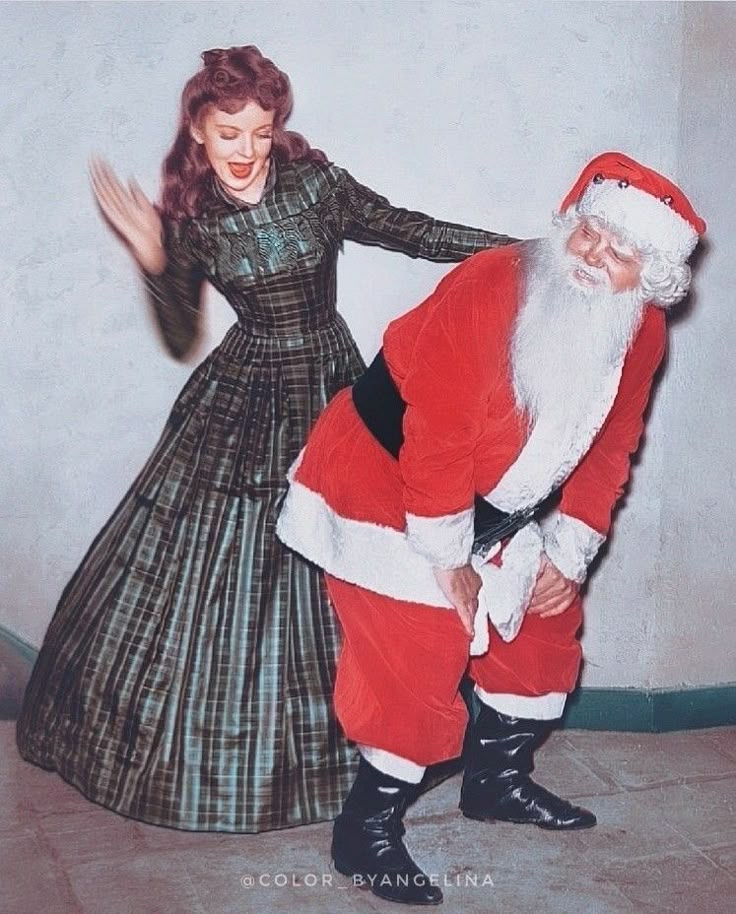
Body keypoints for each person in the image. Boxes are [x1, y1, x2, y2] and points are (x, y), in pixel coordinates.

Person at [15, 45, 515, 833]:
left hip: (330, 381)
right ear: (197, 131)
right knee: (229, 566)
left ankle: (385, 749)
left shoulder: (317, 187)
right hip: (242, 392)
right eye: (228, 135)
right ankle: (227, 759)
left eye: (260, 131)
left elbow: (409, 230)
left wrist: (519, 254)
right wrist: (155, 258)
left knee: (360, 555)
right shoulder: (194, 220)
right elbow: (181, 332)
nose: (246, 152)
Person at [277, 151, 705, 904]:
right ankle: (365, 829)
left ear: (655, 275)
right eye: (589, 235)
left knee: (542, 620)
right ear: (570, 226)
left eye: (622, 249)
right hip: (381, 476)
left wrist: (570, 550)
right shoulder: (489, 286)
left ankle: (497, 781)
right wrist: (448, 556)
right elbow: (438, 431)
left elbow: (611, 447)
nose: (596, 258)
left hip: (490, 502)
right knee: (420, 644)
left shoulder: (643, 333)